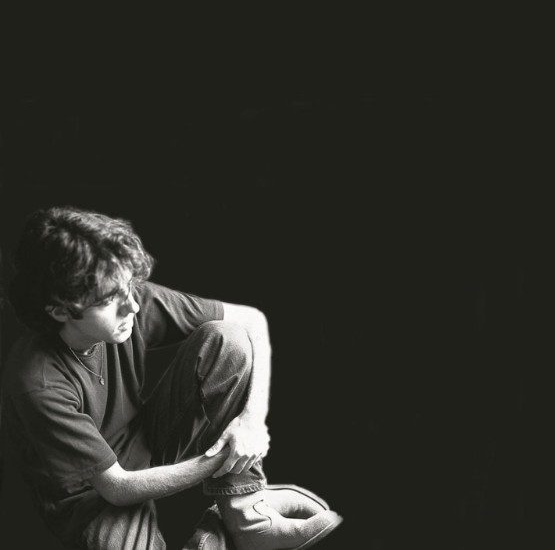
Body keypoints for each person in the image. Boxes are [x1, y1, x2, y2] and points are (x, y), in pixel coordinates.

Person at [1, 206, 342, 549]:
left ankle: (248, 516)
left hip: (144, 439)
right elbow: (118, 488)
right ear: (60, 310)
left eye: (128, 287)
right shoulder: (36, 381)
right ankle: (213, 536)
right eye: (108, 300)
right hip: (91, 495)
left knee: (229, 340)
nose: (132, 306)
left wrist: (251, 424)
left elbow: (252, 320)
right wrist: (228, 454)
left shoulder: (130, 300)